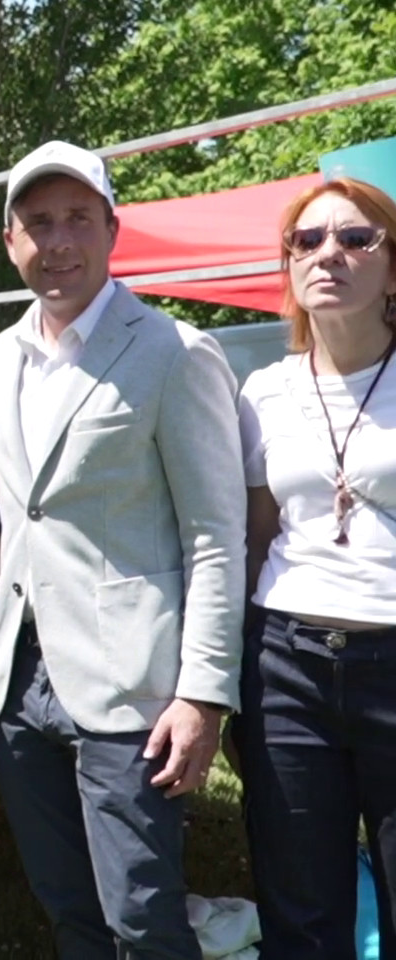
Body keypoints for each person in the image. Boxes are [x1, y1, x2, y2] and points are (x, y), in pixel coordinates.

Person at [0, 140, 246, 959]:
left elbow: (215, 535)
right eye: (39, 222)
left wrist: (202, 692)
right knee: (67, 909)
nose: (58, 241)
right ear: (11, 239)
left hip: (131, 688)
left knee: (141, 917)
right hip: (17, 683)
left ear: (111, 230)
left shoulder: (174, 351)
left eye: (78, 220)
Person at [235, 176, 396, 956]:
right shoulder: (261, 392)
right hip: (287, 666)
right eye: (308, 240)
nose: (329, 253)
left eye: (357, 238)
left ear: (392, 268)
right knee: (300, 919)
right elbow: (257, 535)